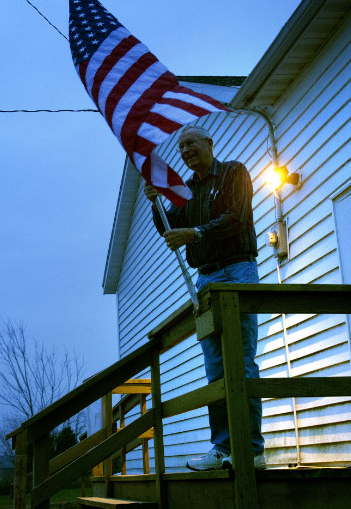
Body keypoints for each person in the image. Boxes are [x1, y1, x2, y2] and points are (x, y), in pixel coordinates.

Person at [143, 124, 265, 471]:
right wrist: (156, 205)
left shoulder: (233, 173)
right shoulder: (187, 190)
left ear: (209, 143)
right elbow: (171, 229)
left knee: (241, 360)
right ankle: (223, 449)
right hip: (205, 280)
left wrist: (195, 233)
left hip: (237, 270)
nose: (185, 151)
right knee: (215, 367)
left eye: (190, 143)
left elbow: (238, 219)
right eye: (180, 148)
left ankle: (252, 450)